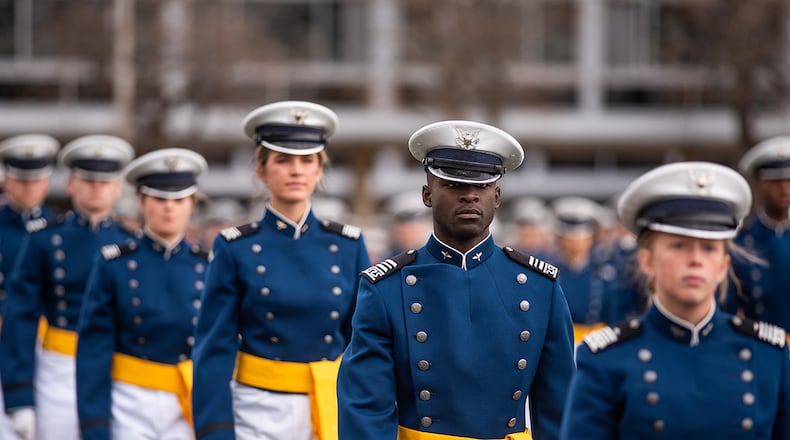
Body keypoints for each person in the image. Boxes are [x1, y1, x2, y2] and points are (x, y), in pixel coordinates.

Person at [337, 120, 575, 440]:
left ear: (498, 196)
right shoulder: (386, 288)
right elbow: (365, 410)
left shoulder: (539, 286)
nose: (469, 196)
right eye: (452, 185)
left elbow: (561, 410)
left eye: (482, 186)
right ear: (427, 195)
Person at [561, 161, 790, 439]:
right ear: (646, 260)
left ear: (723, 265)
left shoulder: (768, 355)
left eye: (708, 248)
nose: (695, 260)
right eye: (679, 245)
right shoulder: (605, 360)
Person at [192, 101, 371, 440]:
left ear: (319, 170)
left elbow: (363, 342)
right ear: (262, 171)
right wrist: (215, 428)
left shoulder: (349, 244)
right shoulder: (234, 247)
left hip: (330, 406)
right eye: (283, 160)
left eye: (307, 161)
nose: (296, 171)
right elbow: (214, 345)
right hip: (257, 409)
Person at [0, 134, 135, 440]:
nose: (96, 188)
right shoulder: (45, 239)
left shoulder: (131, 244)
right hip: (59, 364)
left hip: (118, 364)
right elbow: (20, 316)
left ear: (117, 188)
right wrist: (20, 396)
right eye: (88, 180)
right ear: (71, 185)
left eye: (105, 181)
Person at [76, 148, 209, 440]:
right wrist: (94, 423)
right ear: (141, 201)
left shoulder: (209, 265)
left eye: (179, 200)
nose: (169, 208)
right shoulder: (115, 263)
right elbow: (94, 348)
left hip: (189, 397)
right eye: (159, 199)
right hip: (129, 400)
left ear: (192, 204)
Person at [0, 134, 60, 440]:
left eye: (36, 179)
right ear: (6, 180)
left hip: (50, 348)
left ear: (47, 182)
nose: (28, 186)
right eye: (21, 179)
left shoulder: (58, 232)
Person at [546, 197, 639, 343]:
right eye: (570, 237)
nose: (575, 242)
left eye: (580, 236)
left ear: (591, 237)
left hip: (601, 342)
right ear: (560, 238)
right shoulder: (548, 270)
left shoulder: (608, 272)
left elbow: (618, 313)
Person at [727, 136, 790, 335]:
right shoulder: (741, 243)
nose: (784, 189)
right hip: (761, 348)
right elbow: (727, 308)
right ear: (758, 184)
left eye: (789, 181)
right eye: (774, 182)